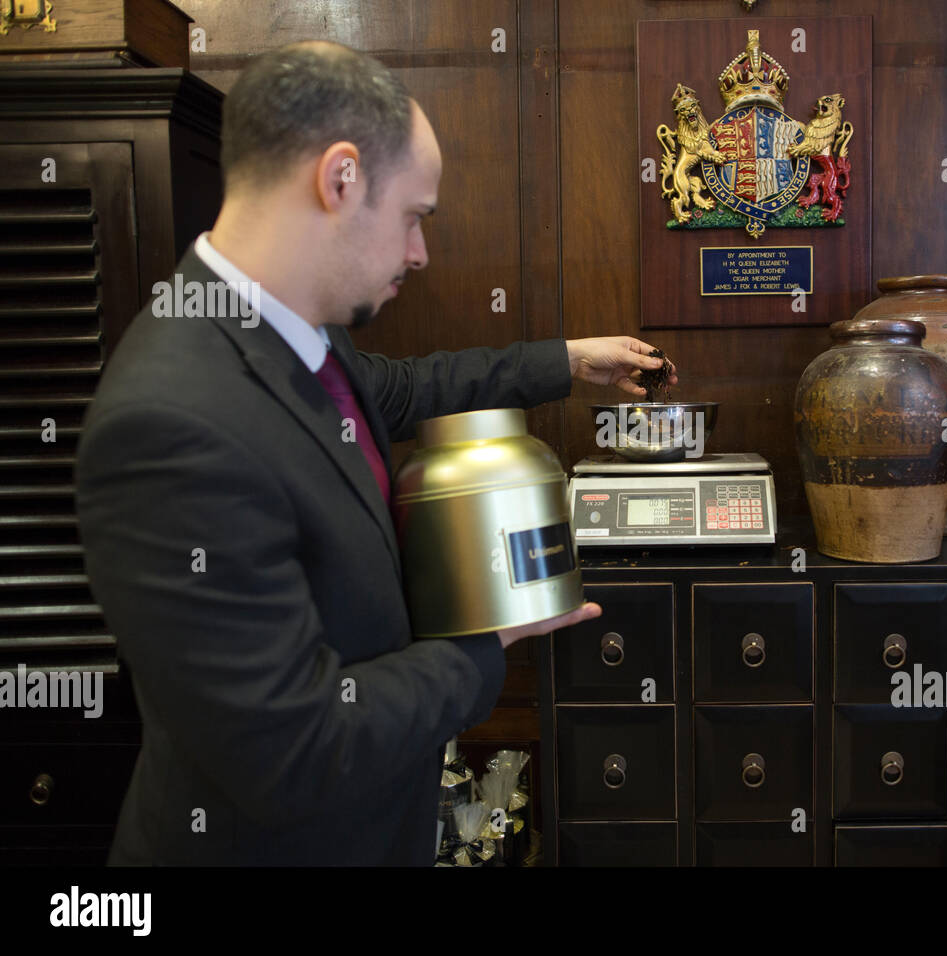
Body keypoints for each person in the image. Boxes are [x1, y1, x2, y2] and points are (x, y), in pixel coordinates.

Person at [74, 40, 675, 865]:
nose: (420, 253)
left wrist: (565, 362)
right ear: (340, 178)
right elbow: (293, 751)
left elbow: (399, 392)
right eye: (415, 216)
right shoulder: (170, 424)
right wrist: (484, 644)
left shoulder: (298, 329)